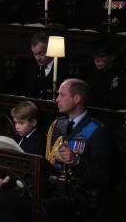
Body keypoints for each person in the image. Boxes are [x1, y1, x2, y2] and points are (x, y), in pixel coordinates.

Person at [42, 79, 115, 221]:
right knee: (7, 199)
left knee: (43, 206)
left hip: (75, 196)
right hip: (51, 187)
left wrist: (76, 161)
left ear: (77, 98)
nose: (57, 99)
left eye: (62, 95)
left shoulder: (97, 131)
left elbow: (103, 178)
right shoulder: (58, 124)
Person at [0, 101, 46, 222]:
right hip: (10, 184)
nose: (17, 126)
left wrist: (9, 178)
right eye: (15, 122)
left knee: (0, 201)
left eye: (21, 123)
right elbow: (8, 161)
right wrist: (1, 177)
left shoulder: (39, 141)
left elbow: (28, 166)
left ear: (33, 122)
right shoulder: (17, 138)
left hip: (25, 190)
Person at [19, 32, 67, 100]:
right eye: (34, 54)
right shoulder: (31, 66)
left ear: (50, 49)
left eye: (41, 53)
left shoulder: (62, 68)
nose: (37, 58)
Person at [86, 36, 125, 110]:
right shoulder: (93, 75)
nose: (96, 60)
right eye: (95, 57)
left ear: (112, 56)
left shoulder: (121, 77)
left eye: (101, 56)